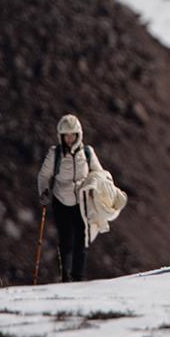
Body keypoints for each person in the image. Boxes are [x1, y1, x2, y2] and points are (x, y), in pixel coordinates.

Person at [37, 114, 102, 282]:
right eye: (66, 135)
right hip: (61, 201)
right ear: (61, 136)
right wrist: (44, 191)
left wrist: (96, 187)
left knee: (82, 238)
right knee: (66, 239)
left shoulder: (87, 153)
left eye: (73, 134)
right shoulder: (55, 153)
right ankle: (66, 276)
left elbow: (98, 172)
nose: (70, 138)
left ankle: (78, 277)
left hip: (82, 201)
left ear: (79, 135)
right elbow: (44, 176)